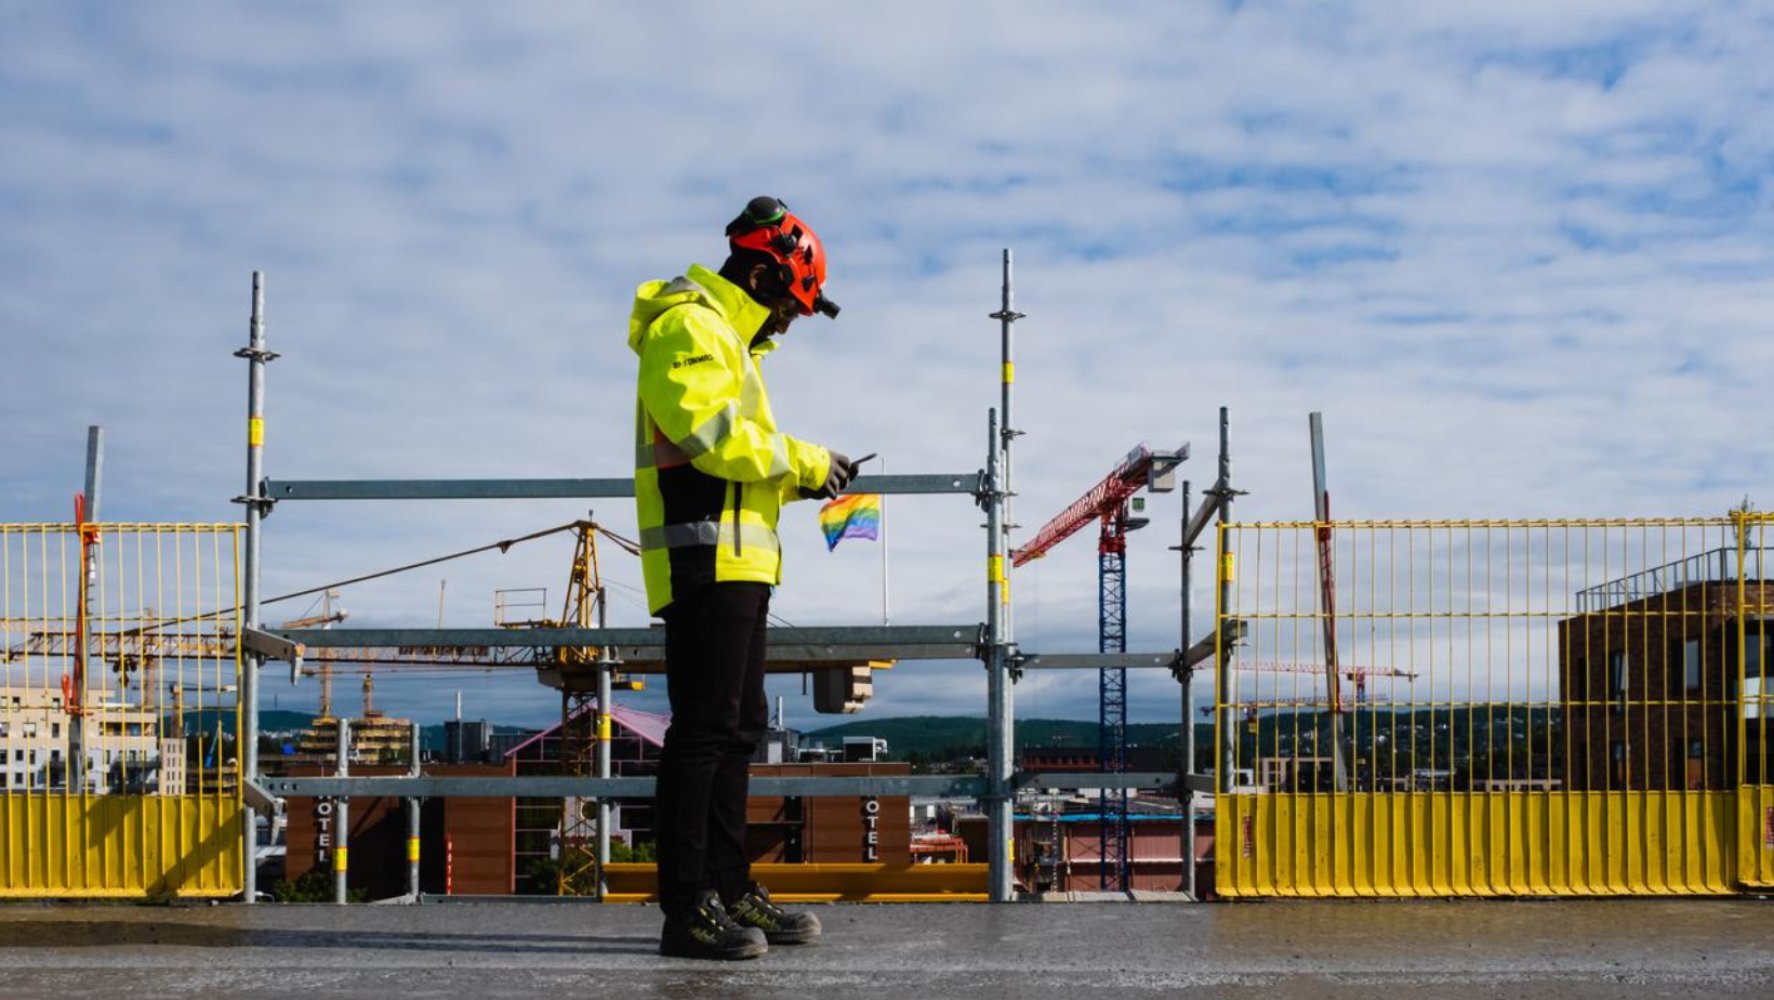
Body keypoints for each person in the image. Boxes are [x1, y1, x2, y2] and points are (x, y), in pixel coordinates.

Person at [629, 196, 860, 960]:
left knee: (737, 728)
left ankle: (728, 888)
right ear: (760, 273)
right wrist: (805, 459)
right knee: (703, 733)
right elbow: (710, 437)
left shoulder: (730, 342)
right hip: (706, 559)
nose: (790, 324)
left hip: (740, 558)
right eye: (789, 306)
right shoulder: (689, 326)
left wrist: (801, 478)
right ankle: (687, 907)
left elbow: (735, 460)